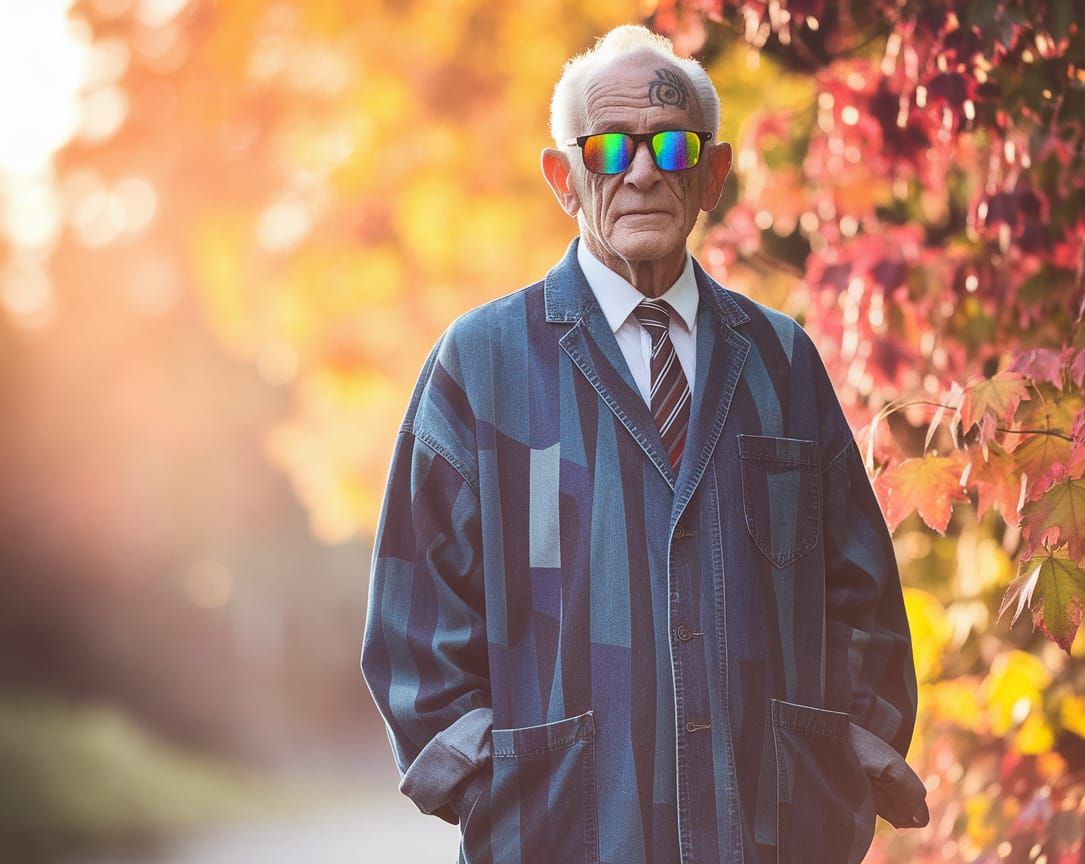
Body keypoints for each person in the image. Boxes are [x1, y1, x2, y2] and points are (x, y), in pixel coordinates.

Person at [362, 24, 928, 864]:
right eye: (608, 149)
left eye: (671, 145)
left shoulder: (781, 361)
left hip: (770, 835)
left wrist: (838, 767)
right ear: (565, 177)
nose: (641, 171)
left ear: (712, 175)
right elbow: (414, 615)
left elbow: (862, 598)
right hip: (565, 837)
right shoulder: (481, 363)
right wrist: (504, 786)